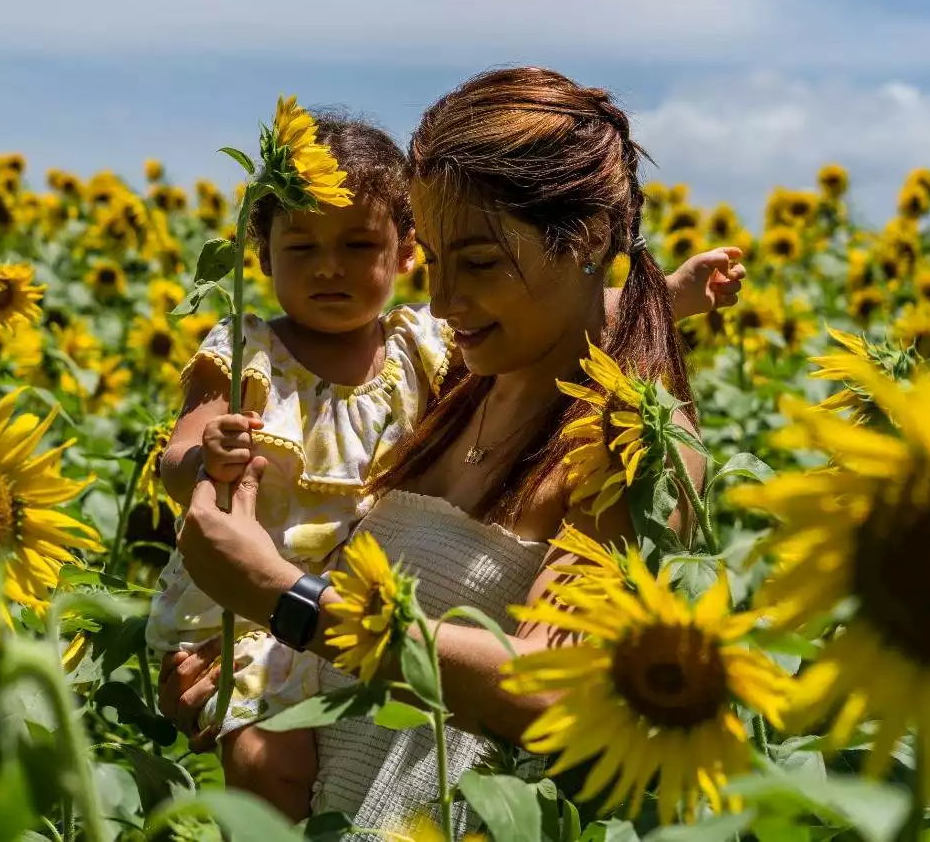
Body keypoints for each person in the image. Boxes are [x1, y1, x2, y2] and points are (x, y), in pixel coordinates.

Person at [157, 85, 739, 831]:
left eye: (479, 262)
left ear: (589, 237)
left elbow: (556, 690)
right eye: (431, 260)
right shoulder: (455, 384)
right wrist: (232, 680)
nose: (440, 300)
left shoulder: (629, 440)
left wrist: (283, 596)